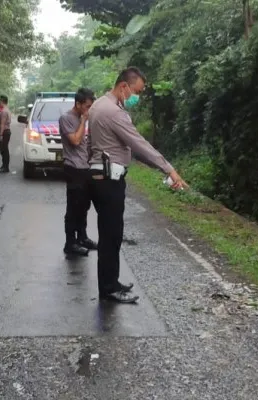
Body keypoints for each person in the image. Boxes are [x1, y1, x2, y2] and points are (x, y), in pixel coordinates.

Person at [88, 67, 188, 304]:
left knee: (111, 234)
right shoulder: (113, 112)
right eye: (136, 92)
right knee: (111, 235)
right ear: (124, 86)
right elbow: (139, 144)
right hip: (109, 181)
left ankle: (111, 281)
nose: (137, 97)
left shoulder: (98, 105)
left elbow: (91, 143)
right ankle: (109, 288)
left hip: (101, 178)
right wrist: (169, 169)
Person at [59, 88, 97, 257]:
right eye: (87, 106)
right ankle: (70, 242)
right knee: (73, 207)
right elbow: (75, 140)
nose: (88, 110)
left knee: (84, 206)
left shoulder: (85, 118)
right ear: (78, 104)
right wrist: (83, 121)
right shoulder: (66, 118)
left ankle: (82, 237)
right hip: (73, 167)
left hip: (85, 167)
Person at [0, 95, 12, 173]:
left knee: (4, 150)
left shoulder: (4, 111)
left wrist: (1, 135)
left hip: (4, 132)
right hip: (6, 132)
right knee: (4, 149)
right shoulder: (7, 110)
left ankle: (5, 167)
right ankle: (4, 166)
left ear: (2, 101)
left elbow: (2, 124)